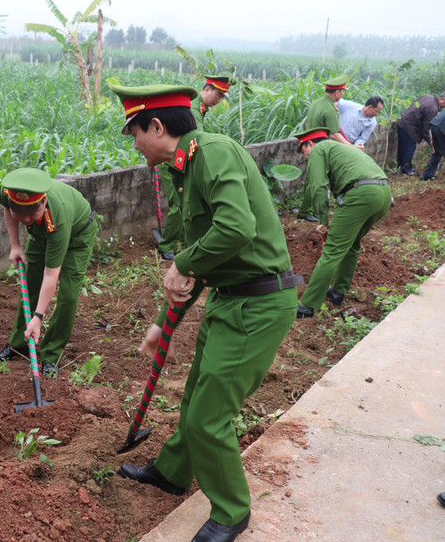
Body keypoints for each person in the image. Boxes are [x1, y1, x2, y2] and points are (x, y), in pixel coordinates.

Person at [108, 80, 300, 542]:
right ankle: (173, 472)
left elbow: (235, 228)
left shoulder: (212, 153)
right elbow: (196, 257)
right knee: (196, 394)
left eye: (134, 132)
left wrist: (184, 264)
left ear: (157, 126)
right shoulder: (185, 168)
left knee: (209, 417)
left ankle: (232, 511)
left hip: (257, 304)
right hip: (230, 298)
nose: (134, 144)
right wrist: (160, 322)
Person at [0, 168, 97, 379]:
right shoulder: (9, 192)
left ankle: (51, 355)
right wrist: (15, 245)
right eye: (21, 213)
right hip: (40, 234)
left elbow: (51, 275)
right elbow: (8, 211)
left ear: (43, 202)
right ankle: (19, 345)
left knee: (68, 295)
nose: (25, 219)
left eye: (31, 213)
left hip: (76, 237)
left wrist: (37, 317)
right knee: (30, 285)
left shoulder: (58, 217)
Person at [292, 128, 392, 319]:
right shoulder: (342, 149)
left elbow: (318, 186)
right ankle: (338, 291)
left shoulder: (318, 150)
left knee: (332, 251)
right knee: (352, 244)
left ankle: (307, 305)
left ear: (310, 144)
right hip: (384, 193)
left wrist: (321, 219)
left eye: (303, 151)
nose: (305, 157)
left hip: (361, 195)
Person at [157, 75, 233, 261]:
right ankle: (166, 246)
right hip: (173, 163)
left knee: (186, 203)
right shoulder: (192, 107)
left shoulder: (200, 107)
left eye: (222, 97)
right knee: (178, 205)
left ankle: (183, 241)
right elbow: (193, 138)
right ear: (207, 89)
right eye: (218, 95)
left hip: (182, 161)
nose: (219, 100)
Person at [299, 74, 355, 222]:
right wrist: (351, 148)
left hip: (308, 145)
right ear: (337, 92)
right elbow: (335, 134)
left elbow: (307, 125)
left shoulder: (315, 103)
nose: (343, 94)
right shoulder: (330, 109)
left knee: (310, 178)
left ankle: (306, 208)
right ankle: (307, 211)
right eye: (343, 91)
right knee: (317, 180)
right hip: (321, 148)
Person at [396, 92, 445, 175]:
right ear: (441, 99)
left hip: (403, 121)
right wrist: (430, 141)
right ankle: (407, 170)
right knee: (409, 148)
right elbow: (426, 129)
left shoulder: (428, 97)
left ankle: (402, 167)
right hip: (409, 126)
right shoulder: (433, 109)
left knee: (403, 148)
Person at [421, 108, 445, 181]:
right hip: (442, 127)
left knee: (437, 152)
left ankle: (427, 175)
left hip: (435, 126)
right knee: (439, 152)